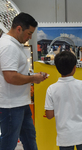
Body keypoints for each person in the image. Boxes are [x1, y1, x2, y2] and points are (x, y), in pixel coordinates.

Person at [0, 12, 48, 150]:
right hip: (11, 104)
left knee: (29, 137)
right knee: (9, 141)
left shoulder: (13, 45)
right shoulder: (8, 46)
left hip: (20, 102)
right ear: (19, 28)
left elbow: (15, 73)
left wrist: (32, 75)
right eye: (29, 33)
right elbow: (10, 77)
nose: (30, 37)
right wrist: (33, 78)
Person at [45, 51, 82, 150]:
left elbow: (49, 115)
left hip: (64, 136)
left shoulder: (51, 89)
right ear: (74, 68)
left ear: (57, 68)